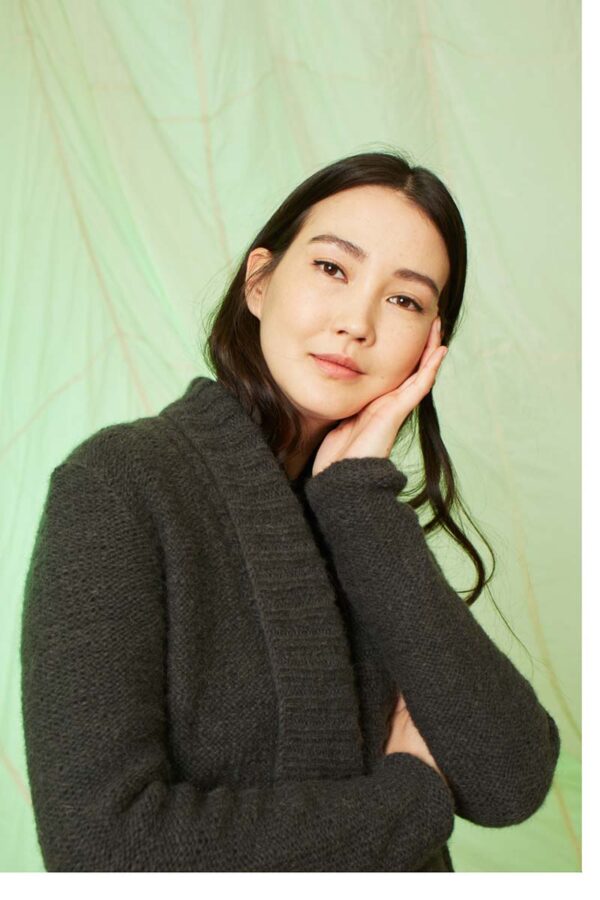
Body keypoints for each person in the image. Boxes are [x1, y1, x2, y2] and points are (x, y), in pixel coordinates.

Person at [20, 150, 561, 872]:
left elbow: (511, 782)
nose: (357, 323)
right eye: (333, 268)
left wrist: (360, 504)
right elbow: (101, 851)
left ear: (431, 346)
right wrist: (410, 799)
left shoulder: (361, 518)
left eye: (405, 300)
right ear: (260, 282)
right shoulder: (119, 485)